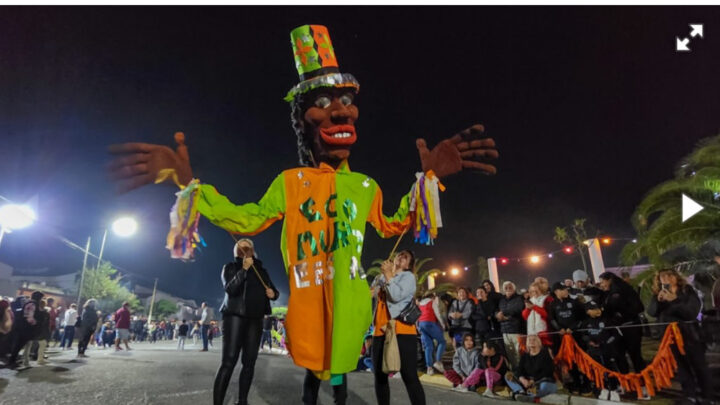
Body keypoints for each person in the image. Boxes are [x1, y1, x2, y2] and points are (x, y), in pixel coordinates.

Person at [108, 23, 497, 405]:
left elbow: (396, 223)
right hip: (308, 306)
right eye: (325, 104)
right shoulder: (290, 182)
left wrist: (427, 180)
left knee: (341, 377)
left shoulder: (365, 186)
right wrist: (192, 186)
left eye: (347, 102)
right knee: (313, 376)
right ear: (302, 119)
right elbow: (246, 219)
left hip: (350, 307)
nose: (342, 114)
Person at [213, 238, 280, 405]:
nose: (245, 250)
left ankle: (242, 401)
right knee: (228, 362)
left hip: (255, 319)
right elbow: (230, 289)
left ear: (253, 251)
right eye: (241, 248)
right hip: (234, 316)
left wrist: (274, 294)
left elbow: (273, 290)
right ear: (236, 252)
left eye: (248, 247)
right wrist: (243, 269)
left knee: (249, 362)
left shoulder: (262, 271)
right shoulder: (229, 267)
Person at [647, 269, 713, 404]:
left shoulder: (687, 291)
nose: (666, 279)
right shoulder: (659, 294)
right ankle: (690, 395)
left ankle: (707, 396)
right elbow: (652, 313)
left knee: (699, 366)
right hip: (669, 338)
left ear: (676, 277)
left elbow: (691, 313)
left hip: (690, 336)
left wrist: (675, 300)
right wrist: (658, 301)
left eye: (669, 275)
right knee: (682, 368)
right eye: (662, 277)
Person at [371, 250, 426, 405]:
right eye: (399, 254)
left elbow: (395, 296)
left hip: (401, 330)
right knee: (380, 376)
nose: (401, 257)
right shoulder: (380, 277)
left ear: (409, 265)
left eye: (405, 257)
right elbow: (369, 295)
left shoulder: (408, 277)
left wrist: (389, 275)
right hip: (379, 330)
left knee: (409, 375)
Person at [597, 272, 646, 374]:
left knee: (635, 356)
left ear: (609, 279)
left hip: (630, 327)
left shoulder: (623, 289)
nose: (601, 284)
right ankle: (626, 382)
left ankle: (642, 383)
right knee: (619, 356)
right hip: (617, 329)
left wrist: (621, 315)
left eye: (602, 282)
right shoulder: (608, 293)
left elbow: (638, 307)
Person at [580, 300, 621, 402]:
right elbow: (583, 335)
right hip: (594, 352)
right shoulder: (586, 323)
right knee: (598, 371)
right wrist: (590, 341)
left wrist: (605, 343)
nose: (597, 311)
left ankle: (614, 389)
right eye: (593, 309)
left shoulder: (607, 320)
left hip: (607, 352)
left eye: (598, 308)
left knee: (610, 370)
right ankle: (603, 388)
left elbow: (616, 335)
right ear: (587, 311)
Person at [505, 334, 558, 402]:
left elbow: (548, 371)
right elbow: (519, 369)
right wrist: (522, 379)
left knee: (544, 386)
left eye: (534, 340)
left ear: (539, 343)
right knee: (508, 376)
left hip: (541, 381)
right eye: (529, 340)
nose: (531, 341)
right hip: (527, 383)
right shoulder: (525, 355)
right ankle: (520, 391)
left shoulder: (545, 353)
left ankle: (530, 396)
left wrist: (533, 381)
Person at [7, 291, 43, 368]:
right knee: (19, 345)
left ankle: (13, 361)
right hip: (25, 328)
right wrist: (36, 323)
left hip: (21, 327)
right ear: (38, 298)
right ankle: (11, 362)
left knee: (18, 345)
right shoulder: (32, 304)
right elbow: (29, 317)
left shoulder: (28, 302)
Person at [417, 291, 448, 375]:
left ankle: (429, 368)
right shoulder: (432, 302)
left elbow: (417, 316)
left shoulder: (420, 304)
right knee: (442, 341)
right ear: (432, 297)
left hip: (421, 325)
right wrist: (443, 325)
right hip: (430, 323)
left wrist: (418, 327)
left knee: (428, 347)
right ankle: (438, 362)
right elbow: (437, 314)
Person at [496, 281, 524, 368]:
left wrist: (504, 315)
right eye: (506, 288)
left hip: (516, 330)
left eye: (510, 287)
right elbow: (497, 310)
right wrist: (497, 315)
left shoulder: (519, 298)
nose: (508, 289)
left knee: (518, 353)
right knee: (510, 354)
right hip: (504, 330)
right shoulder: (502, 300)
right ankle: (514, 372)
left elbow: (517, 309)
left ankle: (522, 372)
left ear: (514, 289)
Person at [522, 282, 552, 347]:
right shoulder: (530, 300)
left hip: (543, 332)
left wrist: (534, 307)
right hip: (531, 332)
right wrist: (528, 309)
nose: (534, 292)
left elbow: (547, 315)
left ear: (541, 290)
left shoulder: (547, 299)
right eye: (532, 291)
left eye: (536, 290)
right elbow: (524, 317)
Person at [24, 298, 50, 366]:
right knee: (42, 344)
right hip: (39, 331)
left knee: (28, 345)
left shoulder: (33, 311)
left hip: (30, 330)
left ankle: (26, 361)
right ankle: (40, 360)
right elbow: (45, 324)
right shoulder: (45, 313)